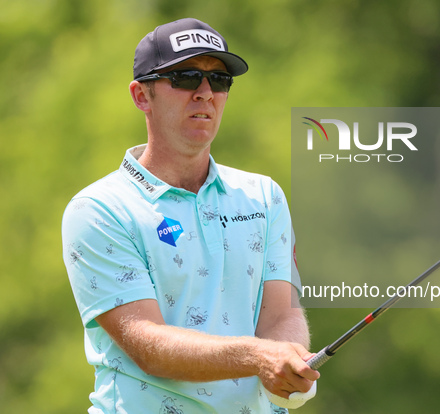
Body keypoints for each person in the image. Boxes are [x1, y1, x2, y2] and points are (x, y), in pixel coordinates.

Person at [62, 17, 319, 413]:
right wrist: (258, 356)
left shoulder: (263, 196)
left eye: (219, 81)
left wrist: (289, 358)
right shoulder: (98, 210)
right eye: (185, 77)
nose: (205, 93)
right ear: (140, 96)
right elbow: (150, 347)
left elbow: (281, 312)